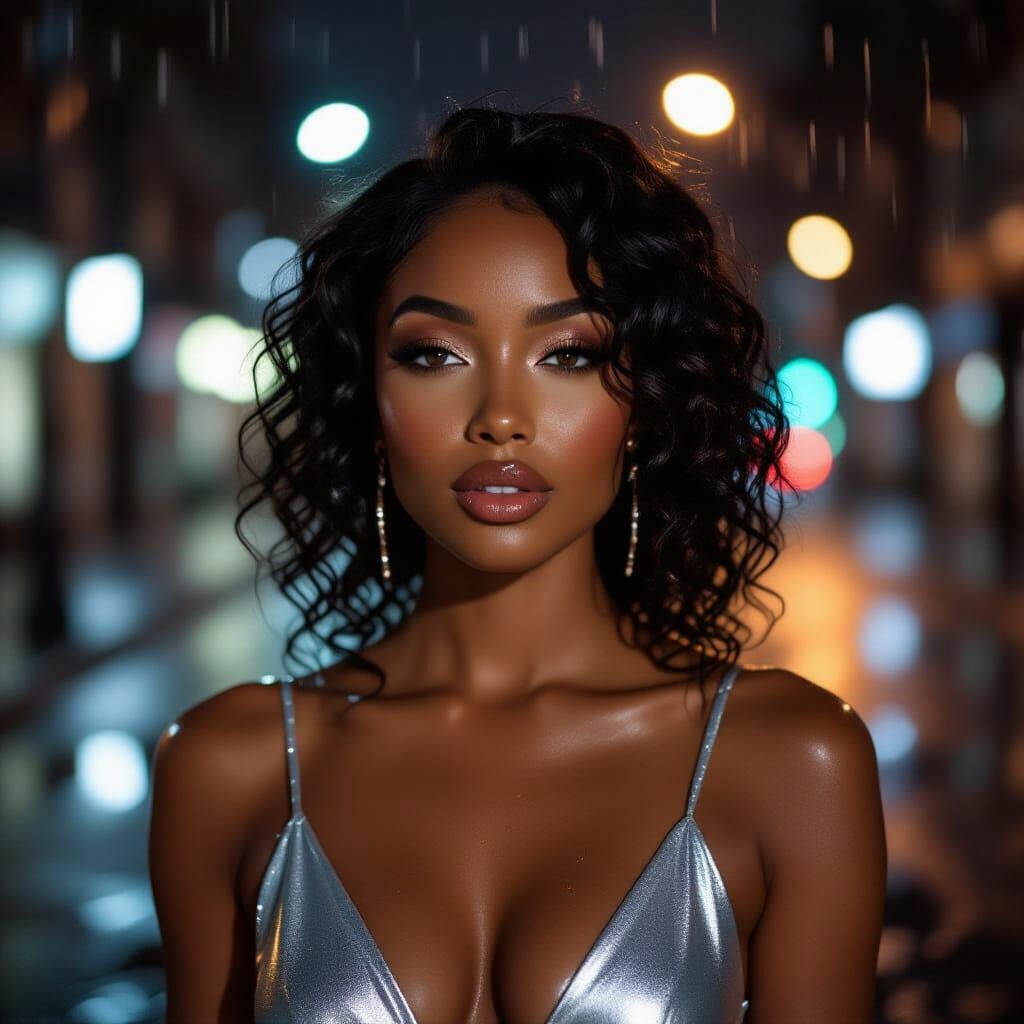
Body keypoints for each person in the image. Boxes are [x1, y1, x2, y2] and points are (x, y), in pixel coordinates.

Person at [148, 104, 887, 1023]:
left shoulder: (792, 761)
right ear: (366, 397)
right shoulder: (230, 767)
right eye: (435, 353)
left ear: (645, 403)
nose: (502, 415)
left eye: (568, 354)